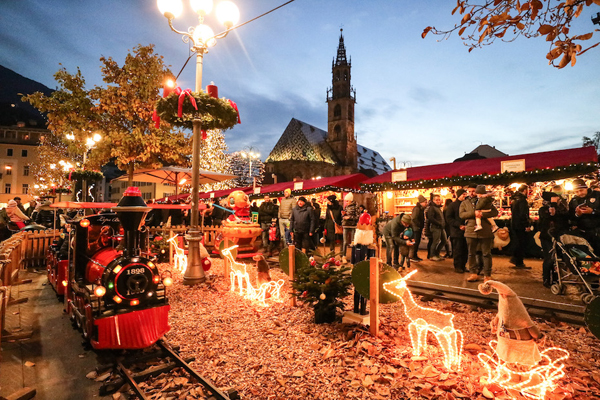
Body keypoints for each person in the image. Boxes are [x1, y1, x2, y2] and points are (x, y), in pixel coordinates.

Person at [460, 184, 498, 282]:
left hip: (485, 231)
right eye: (470, 191)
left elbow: (495, 212)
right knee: (471, 253)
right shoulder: (465, 203)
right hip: (470, 231)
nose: (472, 193)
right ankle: (473, 273)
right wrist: (474, 213)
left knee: (486, 254)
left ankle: (487, 275)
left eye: (474, 191)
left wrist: (482, 214)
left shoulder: (485, 201)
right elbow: (461, 214)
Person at [568, 178, 600, 253]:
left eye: (581, 190)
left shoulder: (597, 195)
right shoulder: (574, 201)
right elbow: (571, 217)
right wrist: (577, 215)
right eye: (576, 191)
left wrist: (593, 212)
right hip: (583, 233)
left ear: (586, 187)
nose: (579, 193)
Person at [446, 189, 469, 273]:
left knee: (465, 250)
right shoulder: (453, 205)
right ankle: (458, 266)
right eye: (463, 194)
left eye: (465, 194)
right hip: (456, 232)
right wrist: (458, 225)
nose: (465, 196)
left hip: (466, 231)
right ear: (459, 195)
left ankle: (463, 265)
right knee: (457, 250)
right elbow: (448, 218)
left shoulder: (467, 204)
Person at [510, 184, 532, 269]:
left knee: (517, 242)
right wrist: (526, 224)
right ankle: (519, 261)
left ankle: (515, 259)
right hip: (520, 225)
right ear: (525, 190)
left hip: (514, 223)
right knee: (521, 243)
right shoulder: (522, 200)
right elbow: (523, 214)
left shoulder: (514, 199)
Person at [427, 194, 446, 261]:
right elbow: (431, 218)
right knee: (435, 241)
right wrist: (439, 223)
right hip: (435, 227)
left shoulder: (438, 207)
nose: (438, 201)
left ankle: (437, 254)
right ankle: (432, 255)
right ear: (433, 200)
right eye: (436, 200)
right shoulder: (432, 208)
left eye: (439, 200)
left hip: (440, 227)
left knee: (444, 240)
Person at [341, 192, 359, 260]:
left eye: (347, 201)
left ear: (351, 200)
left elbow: (358, 216)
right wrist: (344, 214)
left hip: (352, 226)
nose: (346, 202)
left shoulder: (356, 207)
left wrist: (350, 217)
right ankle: (344, 256)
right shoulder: (346, 207)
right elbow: (344, 216)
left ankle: (353, 256)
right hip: (345, 225)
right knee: (345, 242)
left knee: (353, 242)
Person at [410, 195, 427, 262]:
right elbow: (414, 218)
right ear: (421, 202)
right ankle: (412, 256)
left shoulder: (420, 209)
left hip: (418, 228)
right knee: (415, 242)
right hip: (416, 228)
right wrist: (419, 225)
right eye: (425, 202)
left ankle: (415, 255)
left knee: (417, 242)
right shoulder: (417, 209)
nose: (426, 203)